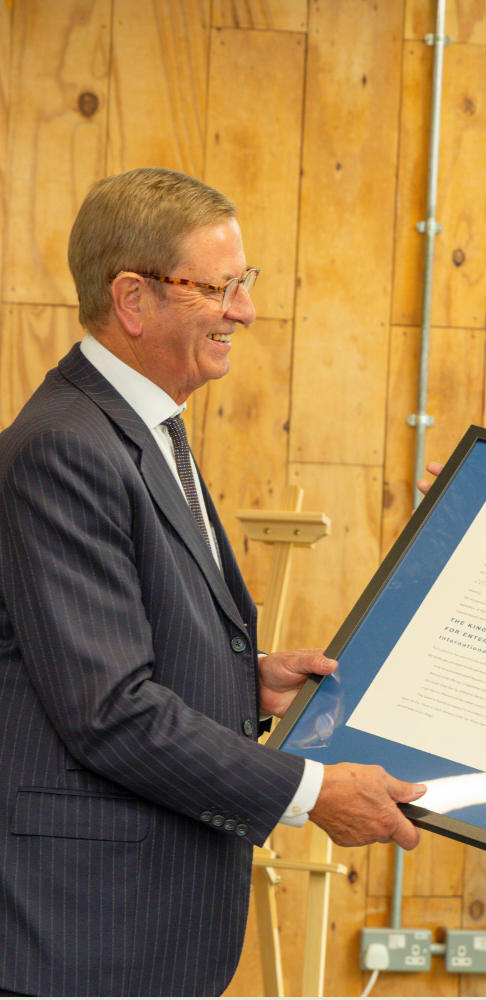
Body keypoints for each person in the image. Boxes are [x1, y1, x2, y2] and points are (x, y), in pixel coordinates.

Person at [0, 168, 424, 997]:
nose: (246, 311)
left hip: (142, 930)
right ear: (133, 299)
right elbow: (108, 710)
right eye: (220, 288)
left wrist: (242, 679)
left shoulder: (144, 426)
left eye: (245, 283)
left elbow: (112, 643)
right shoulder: (65, 448)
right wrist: (310, 791)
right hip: (81, 938)